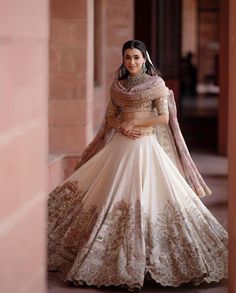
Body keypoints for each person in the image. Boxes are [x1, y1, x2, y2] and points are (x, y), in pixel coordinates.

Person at [47, 40, 228, 291]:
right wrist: (122, 126)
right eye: (128, 57)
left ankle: (152, 263)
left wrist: (136, 124)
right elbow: (111, 115)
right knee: (107, 195)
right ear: (123, 59)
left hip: (146, 148)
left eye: (136, 57)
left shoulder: (156, 85)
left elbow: (163, 117)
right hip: (119, 148)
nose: (131, 62)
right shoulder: (118, 86)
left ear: (145, 59)